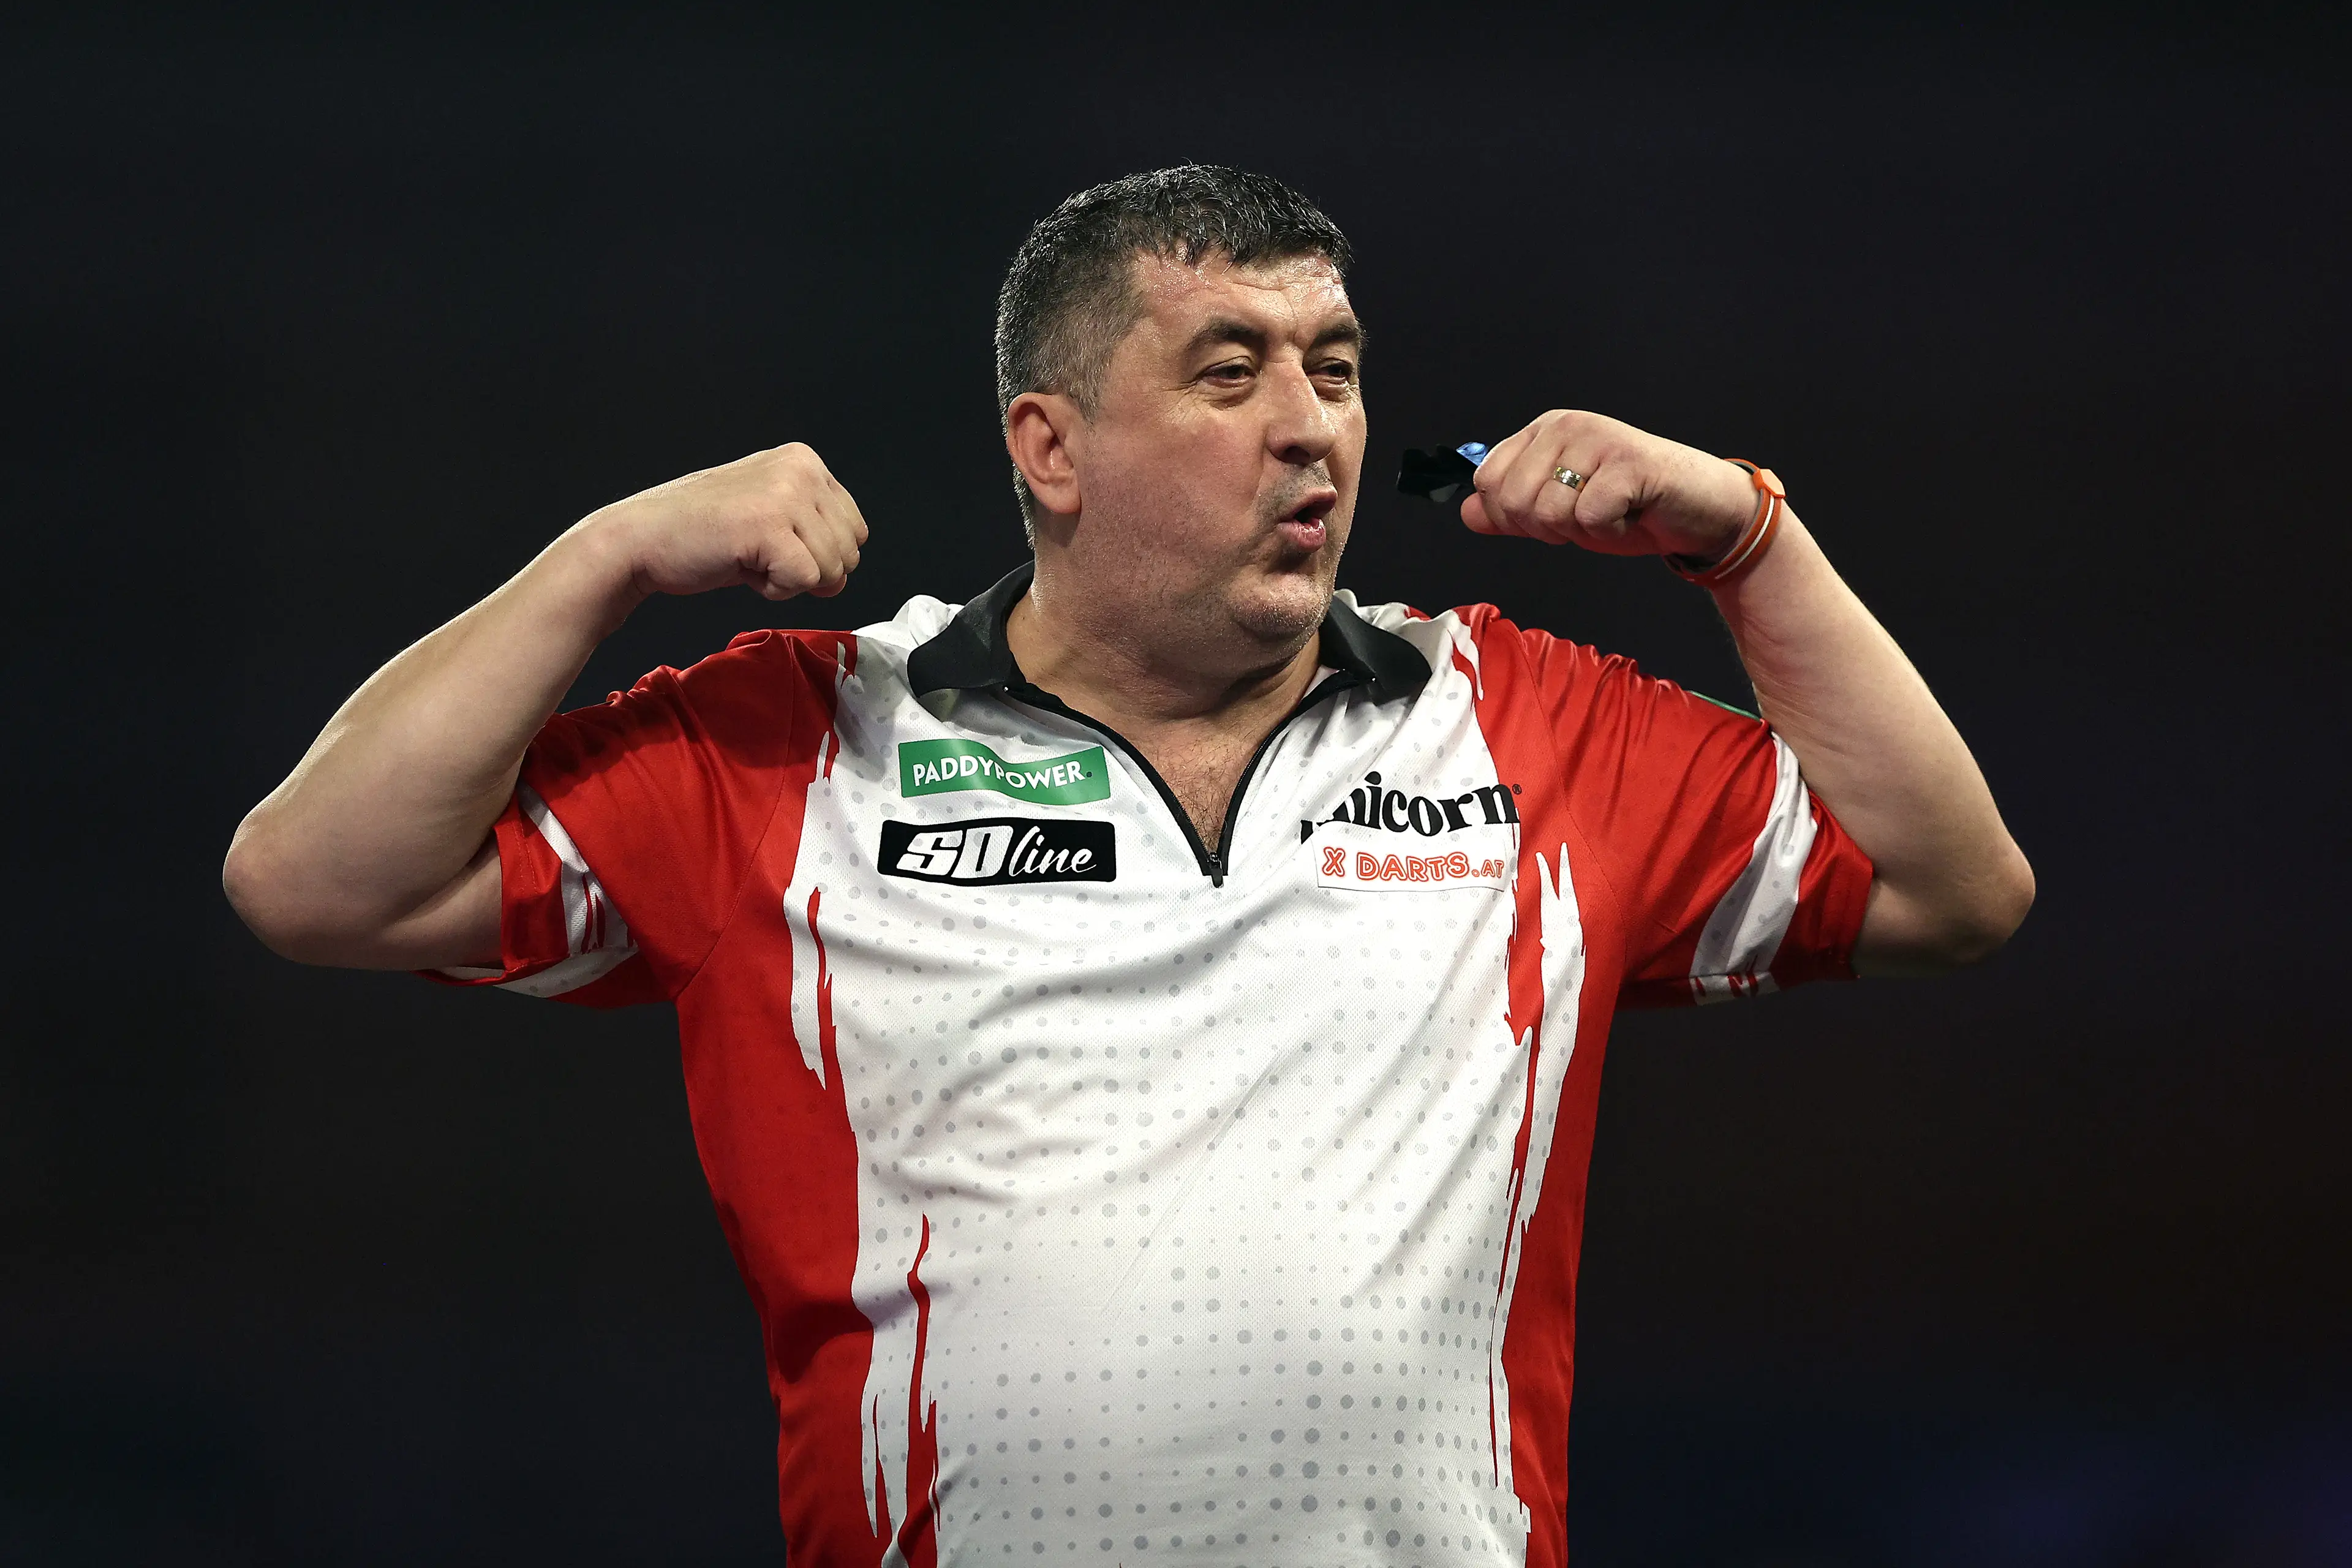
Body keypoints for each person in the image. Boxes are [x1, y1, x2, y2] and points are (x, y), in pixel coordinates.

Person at [224, 165, 2032, 1566]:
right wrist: (604, 557)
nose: (1311, 423)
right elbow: (320, 882)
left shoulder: (1523, 720)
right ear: (1050, 447)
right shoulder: (795, 740)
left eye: (1334, 371)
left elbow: (1954, 888)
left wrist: (1749, 542)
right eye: (1227, 372)